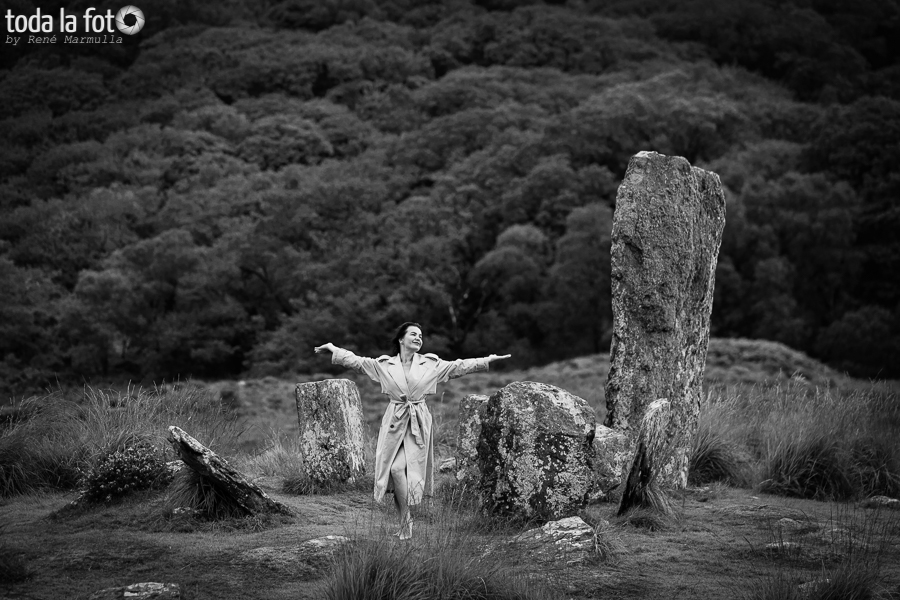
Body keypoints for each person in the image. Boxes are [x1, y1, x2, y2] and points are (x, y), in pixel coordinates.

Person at [314, 322, 510, 540]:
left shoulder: (431, 364)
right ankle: (404, 523)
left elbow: (458, 366)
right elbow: (357, 362)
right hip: (395, 421)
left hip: (418, 420)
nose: (418, 338)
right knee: (393, 471)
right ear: (401, 339)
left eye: (421, 336)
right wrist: (333, 348)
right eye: (414, 334)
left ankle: (406, 523)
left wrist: (486, 360)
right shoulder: (384, 365)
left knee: (400, 469)